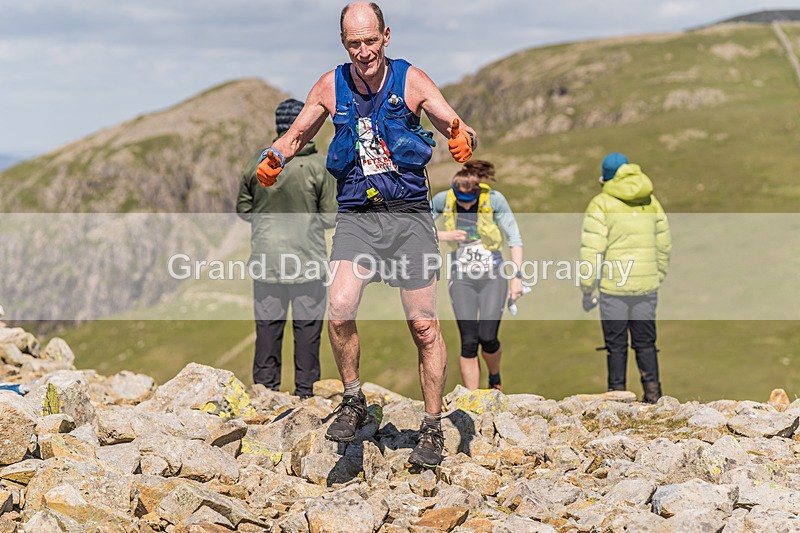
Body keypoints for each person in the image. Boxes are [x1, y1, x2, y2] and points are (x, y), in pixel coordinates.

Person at [254, 2, 477, 468]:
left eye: (370, 41)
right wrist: (274, 157)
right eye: (354, 43)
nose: (363, 51)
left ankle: (433, 427)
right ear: (344, 43)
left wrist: (460, 137)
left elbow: (452, 122)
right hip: (357, 213)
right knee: (338, 308)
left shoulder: (410, 79)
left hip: (409, 216)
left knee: (422, 325)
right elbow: (295, 137)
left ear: (386, 36)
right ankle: (354, 399)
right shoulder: (329, 85)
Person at [236, 98, 337, 399]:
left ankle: (265, 393)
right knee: (307, 331)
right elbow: (331, 217)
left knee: (268, 329)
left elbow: (243, 209)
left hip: (267, 261)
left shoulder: (257, 161)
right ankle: (306, 394)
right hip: (308, 262)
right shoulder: (321, 166)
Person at [580, 152, 671, 403]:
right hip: (647, 286)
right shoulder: (650, 200)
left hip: (613, 288)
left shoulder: (601, 203)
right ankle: (654, 398)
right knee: (646, 343)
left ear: (606, 179)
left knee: (616, 346)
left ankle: (617, 400)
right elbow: (664, 243)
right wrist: (657, 274)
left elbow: (592, 251)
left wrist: (588, 288)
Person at [431, 160, 523, 391]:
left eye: (469, 199)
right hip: (461, 277)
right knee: (469, 341)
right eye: (460, 199)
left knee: (488, 336)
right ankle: (472, 401)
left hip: (493, 275)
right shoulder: (444, 200)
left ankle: (494, 377)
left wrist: (517, 277)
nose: (465, 203)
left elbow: (515, 239)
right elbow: (417, 223)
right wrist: (444, 235)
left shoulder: (494, 200)